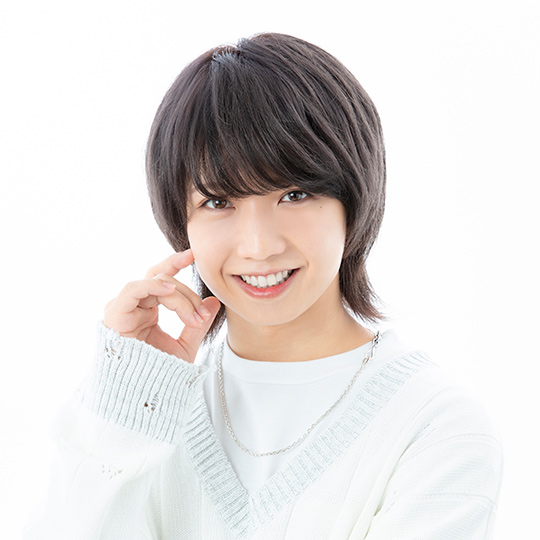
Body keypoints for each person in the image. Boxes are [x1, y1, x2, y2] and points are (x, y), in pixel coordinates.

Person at [24, 33, 503, 539]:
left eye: (294, 194)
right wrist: (128, 403)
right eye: (218, 202)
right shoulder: (141, 414)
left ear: (354, 199)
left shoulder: (435, 427)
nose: (258, 246)